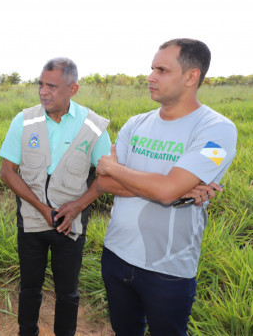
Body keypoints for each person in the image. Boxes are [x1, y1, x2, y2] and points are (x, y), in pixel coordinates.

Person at [56, 38, 237, 335]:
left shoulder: (217, 130)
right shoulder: (136, 123)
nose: (150, 77)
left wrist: (119, 169)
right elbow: (104, 182)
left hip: (168, 267)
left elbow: (157, 188)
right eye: (152, 68)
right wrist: (173, 187)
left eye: (162, 70)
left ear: (191, 77)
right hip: (116, 254)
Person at [0, 57, 112, 336]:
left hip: (69, 225)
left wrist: (76, 207)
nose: (43, 91)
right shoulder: (24, 120)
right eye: (40, 84)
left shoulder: (93, 125)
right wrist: (40, 207)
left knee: (68, 292)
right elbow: (7, 172)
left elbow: (106, 177)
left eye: (52, 86)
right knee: (29, 288)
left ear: (73, 89)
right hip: (31, 222)